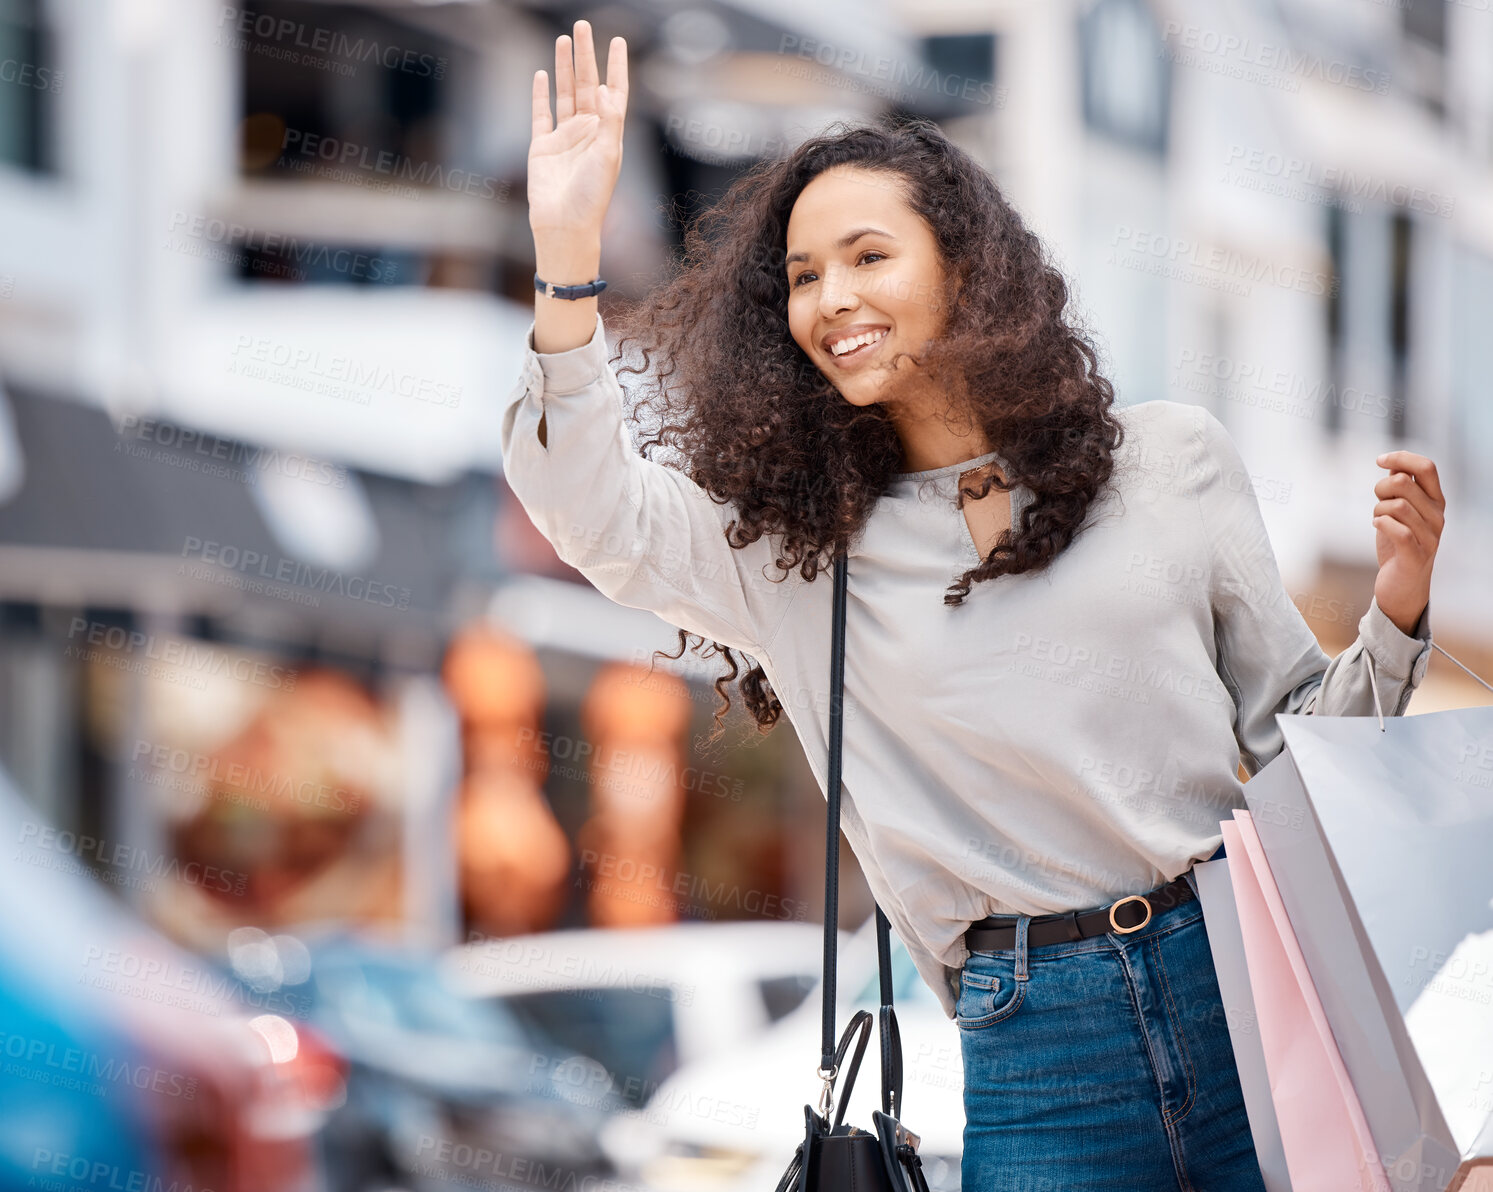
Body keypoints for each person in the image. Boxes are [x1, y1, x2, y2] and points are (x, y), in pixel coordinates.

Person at [503, 20, 1447, 1189]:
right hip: (1039, 1048)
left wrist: (1398, 614)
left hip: (1247, 992)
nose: (830, 298)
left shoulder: (1170, 464)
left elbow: (1305, 751)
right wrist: (564, 262)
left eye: (866, 257)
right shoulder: (802, 558)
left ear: (961, 264)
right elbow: (592, 508)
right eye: (802, 277)